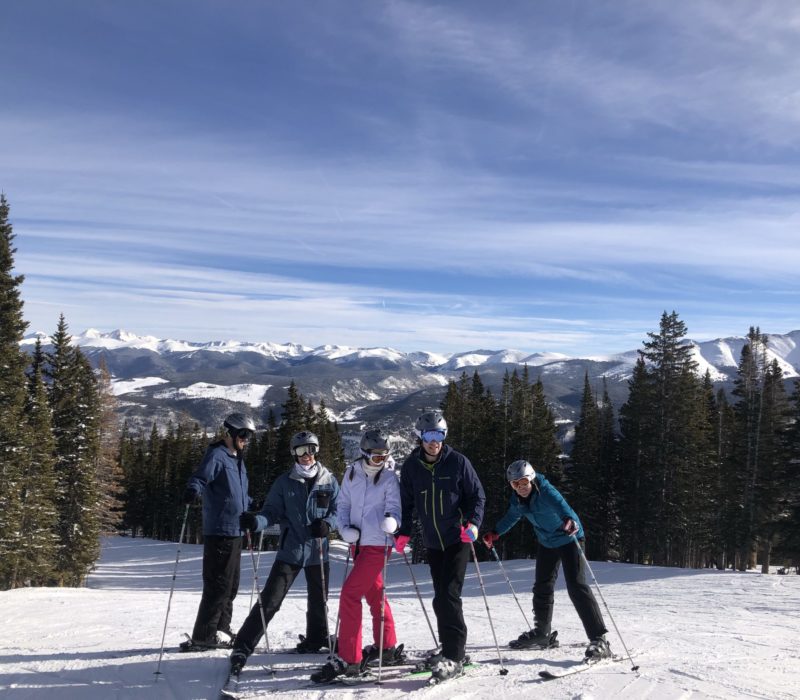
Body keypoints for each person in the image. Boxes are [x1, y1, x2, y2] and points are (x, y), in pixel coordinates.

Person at [230, 430, 340, 672]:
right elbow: (271, 512)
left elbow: (338, 510)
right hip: (291, 549)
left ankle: (317, 638)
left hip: (318, 550)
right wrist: (256, 522)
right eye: (301, 451)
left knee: (319, 600)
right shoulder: (284, 482)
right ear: (294, 453)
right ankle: (243, 645)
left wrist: (328, 525)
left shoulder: (328, 480)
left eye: (311, 449)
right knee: (270, 600)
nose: (307, 455)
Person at [481, 459, 611, 660]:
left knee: (576, 586)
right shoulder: (518, 501)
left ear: (531, 479)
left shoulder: (546, 492)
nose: (521, 488)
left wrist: (570, 521)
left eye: (524, 482)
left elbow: (563, 507)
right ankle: (543, 634)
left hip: (570, 538)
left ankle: (599, 639)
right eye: (515, 484)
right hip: (547, 543)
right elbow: (511, 517)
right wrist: (495, 532)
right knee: (542, 586)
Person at [395, 411, 486, 682]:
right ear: (420, 437)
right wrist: (404, 533)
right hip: (433, 544)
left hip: (458, 539)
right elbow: (407, 503)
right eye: (429, 436)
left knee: (448, 595)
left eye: (439, 435)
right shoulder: (412, 467)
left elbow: (476, 496)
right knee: (440, 598)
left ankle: (455, 657)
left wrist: (473, 524)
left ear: (444, 437)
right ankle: (449, 648)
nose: (434, 441)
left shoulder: (458, 462)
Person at [311, 429, 405, 683]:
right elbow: (343, 505)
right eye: (376, 457)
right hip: (358, 544)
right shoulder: (352, 473)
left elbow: (395, 507)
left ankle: (350, 659)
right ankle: (386, 645)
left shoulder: (388, 478)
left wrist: (392, 522)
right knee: (375, 593)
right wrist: (344, 528)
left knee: (350, 594)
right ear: (364, 454)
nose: (381, 461)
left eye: (384, 457)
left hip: (377, 544)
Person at [179, 412, 256, 652]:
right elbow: (200, 478)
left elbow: (238, 493)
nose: (246, 439)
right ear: (231, 433)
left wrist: (253, 504)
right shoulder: (217, 455)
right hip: (220, 529)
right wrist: (193, 490)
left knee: (231, 585)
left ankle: (221, 628)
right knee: (217, 585)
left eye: (249, 436)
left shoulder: (237, 459)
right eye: (243, 434)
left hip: (236, 531)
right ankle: (204, 635)